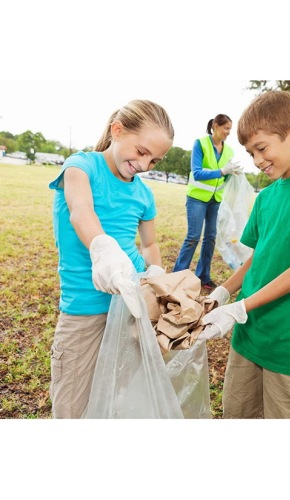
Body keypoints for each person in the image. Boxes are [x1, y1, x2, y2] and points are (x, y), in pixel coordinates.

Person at [197, 90, 290, 418]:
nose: (257, 160)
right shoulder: (265, 197)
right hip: (248, 338)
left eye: (261, 148)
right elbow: (256, 259)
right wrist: (223, 294)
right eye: (251, 153)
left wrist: (239, 308)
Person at [49, 99, 174, 418]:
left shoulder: (144, 194)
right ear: (117, 131)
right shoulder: (81, 166)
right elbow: (81, 211)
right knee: (73, 405)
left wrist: (155, 274)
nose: (146, 165)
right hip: (86, 311)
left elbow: (149, 245)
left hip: (131, 310)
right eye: (142, 152)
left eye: (155, 160)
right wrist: (103, 250)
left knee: (120, 401)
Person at [173, 114, 243, 290]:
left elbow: (223, 177)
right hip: (197, 197)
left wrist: (232, 174)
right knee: (193, 237)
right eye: (226, 128)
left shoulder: (229, 151)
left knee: (210, 238)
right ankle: (177, 277)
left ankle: (203, 276)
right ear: (215, 126)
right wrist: (221, 171)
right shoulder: (201, 144)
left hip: (215, 200)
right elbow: (196, 172)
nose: (228, 132)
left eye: (230, 129)